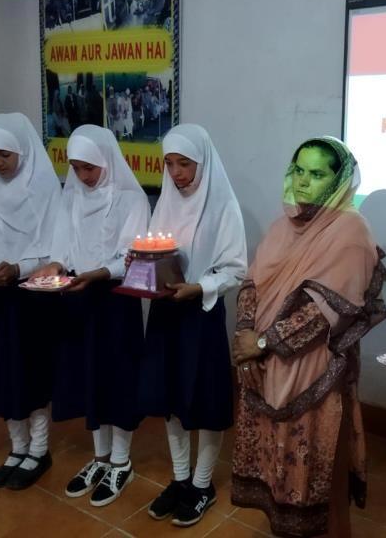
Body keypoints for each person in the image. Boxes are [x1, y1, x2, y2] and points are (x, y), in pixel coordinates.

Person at [231, 137, 386, 538]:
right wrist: (246, 336)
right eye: (298, 170)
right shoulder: (283, 226)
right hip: (265, 366)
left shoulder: (350, 229)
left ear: (339, 181)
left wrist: (261, 344)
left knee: (319, 474)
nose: (303, 181)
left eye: (317, 174)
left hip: (314, 372)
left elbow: (325, 313)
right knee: (275, 467)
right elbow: (252, 283)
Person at [32, 124, 149, 507]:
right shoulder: (72, 198)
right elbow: (62, 247)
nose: (82, 176)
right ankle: (100, 457)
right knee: (90, 376)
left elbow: (131, 255)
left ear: (107, 161)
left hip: (116, 297)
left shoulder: (132, 199)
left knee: (118, 376)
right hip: (78, 295)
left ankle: (121, 461)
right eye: (76, 168)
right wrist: (53, 265)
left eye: (90, 168)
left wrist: (98, 273)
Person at [139, 124, 247, 527]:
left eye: (184, 163)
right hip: (166, 312)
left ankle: (202, 484)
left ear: (203, 162)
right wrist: (140, 265)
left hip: (201, 313)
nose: (176, 173)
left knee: (204, 400)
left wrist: (201, 286)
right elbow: (155, 252)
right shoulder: (167, 202)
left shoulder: (223, 206)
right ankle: (180, 477)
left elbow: (236, 269)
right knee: (170, 397)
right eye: (169, 164)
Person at [0, 113, 62, 490]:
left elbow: (58, 247)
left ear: (23, 151)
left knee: (31, 371)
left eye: (5, 154)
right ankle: (17, 447)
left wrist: (19, 267)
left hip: (31, 293)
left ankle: (39, 449)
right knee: (1, 370)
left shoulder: (45, 189)